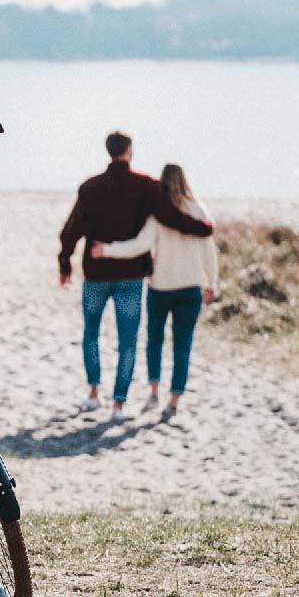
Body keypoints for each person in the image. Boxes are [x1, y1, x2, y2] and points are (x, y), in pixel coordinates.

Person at [58, 132, 214, 421]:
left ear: (108, 151)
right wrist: (203, 228)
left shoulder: (90, 187)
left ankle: (93, 393)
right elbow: (171, 218)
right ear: (129, 150)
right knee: (128, 340)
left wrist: (65, 262)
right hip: (130, 276)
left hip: (96, 273)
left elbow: (72, 228)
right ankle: (118, 404)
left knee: (91, 333)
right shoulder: (146, 186)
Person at [89, 163, 217, 421]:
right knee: (183, 346)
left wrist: (107, 250)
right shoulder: (200, 210)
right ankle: (174, 401)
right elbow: (209, 251)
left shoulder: (159, 213)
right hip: (191, 288)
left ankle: (154, 391)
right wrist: (211, 283)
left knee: (154, 341)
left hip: (160, 288)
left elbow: (139, 245)